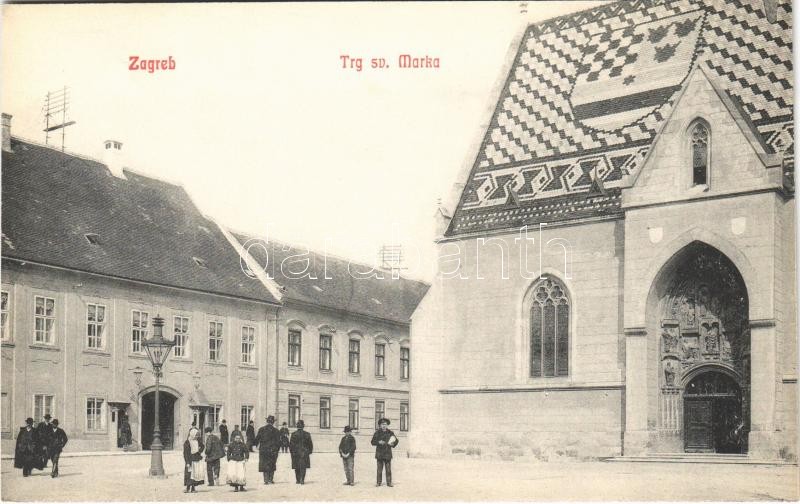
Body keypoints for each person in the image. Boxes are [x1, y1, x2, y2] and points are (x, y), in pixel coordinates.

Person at [371, 418, 399, 487]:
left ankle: (389, 483)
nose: (384, 426)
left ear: (387, 425)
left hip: (387, 453)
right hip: (379, 453)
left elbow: (396, 441)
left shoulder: (390, 433)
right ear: (380, 425)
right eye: (382, 424)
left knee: (388, 469)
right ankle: (378, 482)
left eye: (385, 424)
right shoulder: (377, 433)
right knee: (379, 470)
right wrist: (378, 442)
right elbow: (372, 442)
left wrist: (393, 444)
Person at [255, 415, 281, 484]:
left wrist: (256, 445)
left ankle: (266, 480)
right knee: (272, 463)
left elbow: (257, 439)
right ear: (273, 422)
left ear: (267, 421)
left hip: (264, 450)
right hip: (273, 450)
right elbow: (278, 442)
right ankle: (270, 479)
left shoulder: (261, 429)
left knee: (264, 464)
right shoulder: (276, 431)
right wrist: (277, 450)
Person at [289, 420, 313, 484]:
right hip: (304, 453)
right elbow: (310, 444)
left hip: (296, 453)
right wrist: (309, 452)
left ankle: (298, 480)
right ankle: (302, 479)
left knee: (296, 466)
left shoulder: (293, 434)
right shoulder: (307, 434)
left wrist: (292, 452)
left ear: (297, 426)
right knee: (303, 467)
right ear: (303, 426)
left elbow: (291, 445)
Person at [182, 428, 205, 493]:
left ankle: (193, 488)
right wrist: (187, 462)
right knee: (189, 474)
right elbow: (185, 453)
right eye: (196, 435)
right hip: (190, 460)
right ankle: (187, 488)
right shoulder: (187, 442)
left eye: (197, 435)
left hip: (196, 459)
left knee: (195, 474)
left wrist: (199, 451)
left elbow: (202, 446)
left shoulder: (198, 441)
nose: (196, 436)